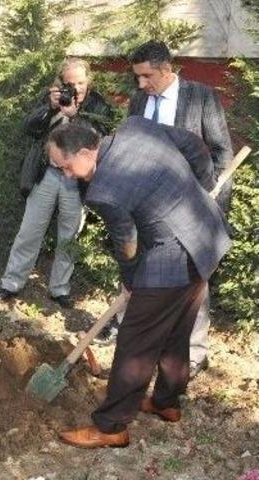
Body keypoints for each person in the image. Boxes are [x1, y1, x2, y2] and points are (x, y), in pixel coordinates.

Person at [49, 119, 230, 448]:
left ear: (88, 152)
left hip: (173, 258)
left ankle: (111, 425)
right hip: (206, 237)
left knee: (136, 342)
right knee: (177, 328)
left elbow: (127, 242)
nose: (66, 174)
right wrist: (199, 190)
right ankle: (166, 402)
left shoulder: (104, 190)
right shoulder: (136, 127)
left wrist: (132, 280)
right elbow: (195, 146)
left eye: (66, 166)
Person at [125, 40, 234, 377]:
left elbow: (221, 151)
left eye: (147, 76)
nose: (141, 84)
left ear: (166, 68)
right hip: (146, 206)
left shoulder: (200, 96)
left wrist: (216, 206)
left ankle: (195, 353)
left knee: (192, 281)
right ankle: (142, 347)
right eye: (137, 77)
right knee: (140, 274)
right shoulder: (139, 100)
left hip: (189, 209)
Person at [0, 58, 115, 308]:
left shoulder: (98, 104)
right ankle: (11, 283)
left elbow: (98, 140)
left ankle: (60, 289)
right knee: (30, 231)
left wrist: (76, 116)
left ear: (88, 81)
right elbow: (28, 128)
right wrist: (49, 109)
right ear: (61, 82)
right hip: (46, 174)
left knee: (68, 236)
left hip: (76, 180)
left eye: (81, 82)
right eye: (70, 83)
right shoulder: (52, 97)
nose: (76, 88)